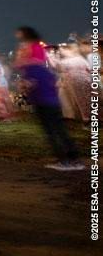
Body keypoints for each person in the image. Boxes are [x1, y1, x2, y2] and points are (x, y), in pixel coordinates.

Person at [14, 27, 83, 171]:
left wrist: (24, 83)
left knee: (51, 131)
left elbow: (28, 81)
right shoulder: (43, 68)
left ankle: (64, 162)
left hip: (43, 101)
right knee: (59, 129)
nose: (20, 52)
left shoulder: (33, 68)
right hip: (51, 100)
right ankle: (74, 160)